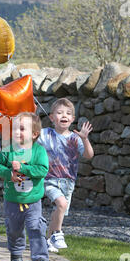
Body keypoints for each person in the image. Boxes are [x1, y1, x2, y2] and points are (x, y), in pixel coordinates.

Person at [0, 112, 50, 261]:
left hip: (33, 201)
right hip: (13, 200)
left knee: (36, 227)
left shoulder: (39, 151)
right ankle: (16, 250)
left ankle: (40, 258)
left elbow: (42, 170)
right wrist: (9, 174)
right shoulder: (8, 150)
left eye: (22, 129)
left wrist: (23, 167)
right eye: (15, 128)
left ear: (34, 134)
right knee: (14, 229)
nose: (17, 132)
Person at [37, 98, 94, 252]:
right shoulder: (45, 134)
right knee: (61, 205)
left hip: (68, 182)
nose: (64, 115)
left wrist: (85, 139)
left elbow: (89, 155)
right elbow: (30, 137)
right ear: (51, 117)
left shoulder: (76, 138)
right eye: (60, 112)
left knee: (59, 212)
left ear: (72, 119)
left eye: (68, 113)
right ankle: (57, 233)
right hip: (49, 180)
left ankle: (46, 241)